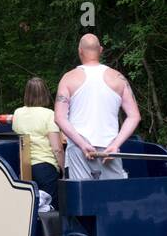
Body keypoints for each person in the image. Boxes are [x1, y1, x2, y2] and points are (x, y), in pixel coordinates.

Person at [54, 34, 141, 180]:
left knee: (83, 198)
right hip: (110, 149)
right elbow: (134, 116)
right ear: (100, 50)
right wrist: (115, 144)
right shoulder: (118, 78)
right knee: (113, 197)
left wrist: (82, 144)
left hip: (79, 148)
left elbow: (59, 117)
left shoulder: (69, 78)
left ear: (80, 50)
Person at [12, 77, 64, 201]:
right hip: (45, 167)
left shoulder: (18, 113)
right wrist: (65, 169)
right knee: (50, 209)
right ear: (44, 93)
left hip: (25, 169)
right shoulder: (49, 114)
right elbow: (57, 149)